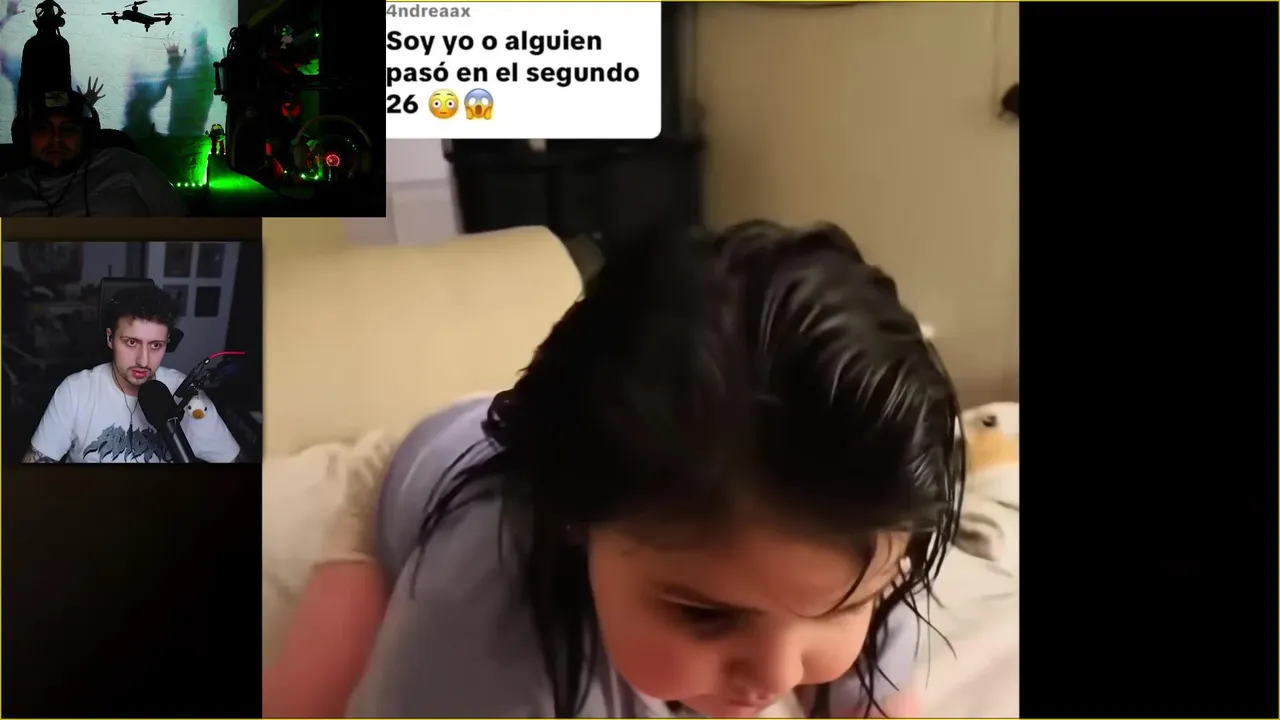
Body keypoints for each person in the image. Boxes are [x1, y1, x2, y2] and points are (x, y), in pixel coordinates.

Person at [263, 221, 965, 717]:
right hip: (432, 462)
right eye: (705, 614)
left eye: (841, 608)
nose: (776, 675)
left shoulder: (855, 517)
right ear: (576, 519)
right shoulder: (478, 605)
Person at [23, 284, 241, 463]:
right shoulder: (75, 391)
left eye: (156, 345)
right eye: (131, 342)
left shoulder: (187, 396)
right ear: (110, 338)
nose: (143, 361)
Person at [0, 90, 186, 217]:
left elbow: (186, 234)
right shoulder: (6, 190)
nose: (56, 139)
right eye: (43, 129)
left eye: (68, 129)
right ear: (26, 137)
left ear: (86, 135)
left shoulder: (130, 166)